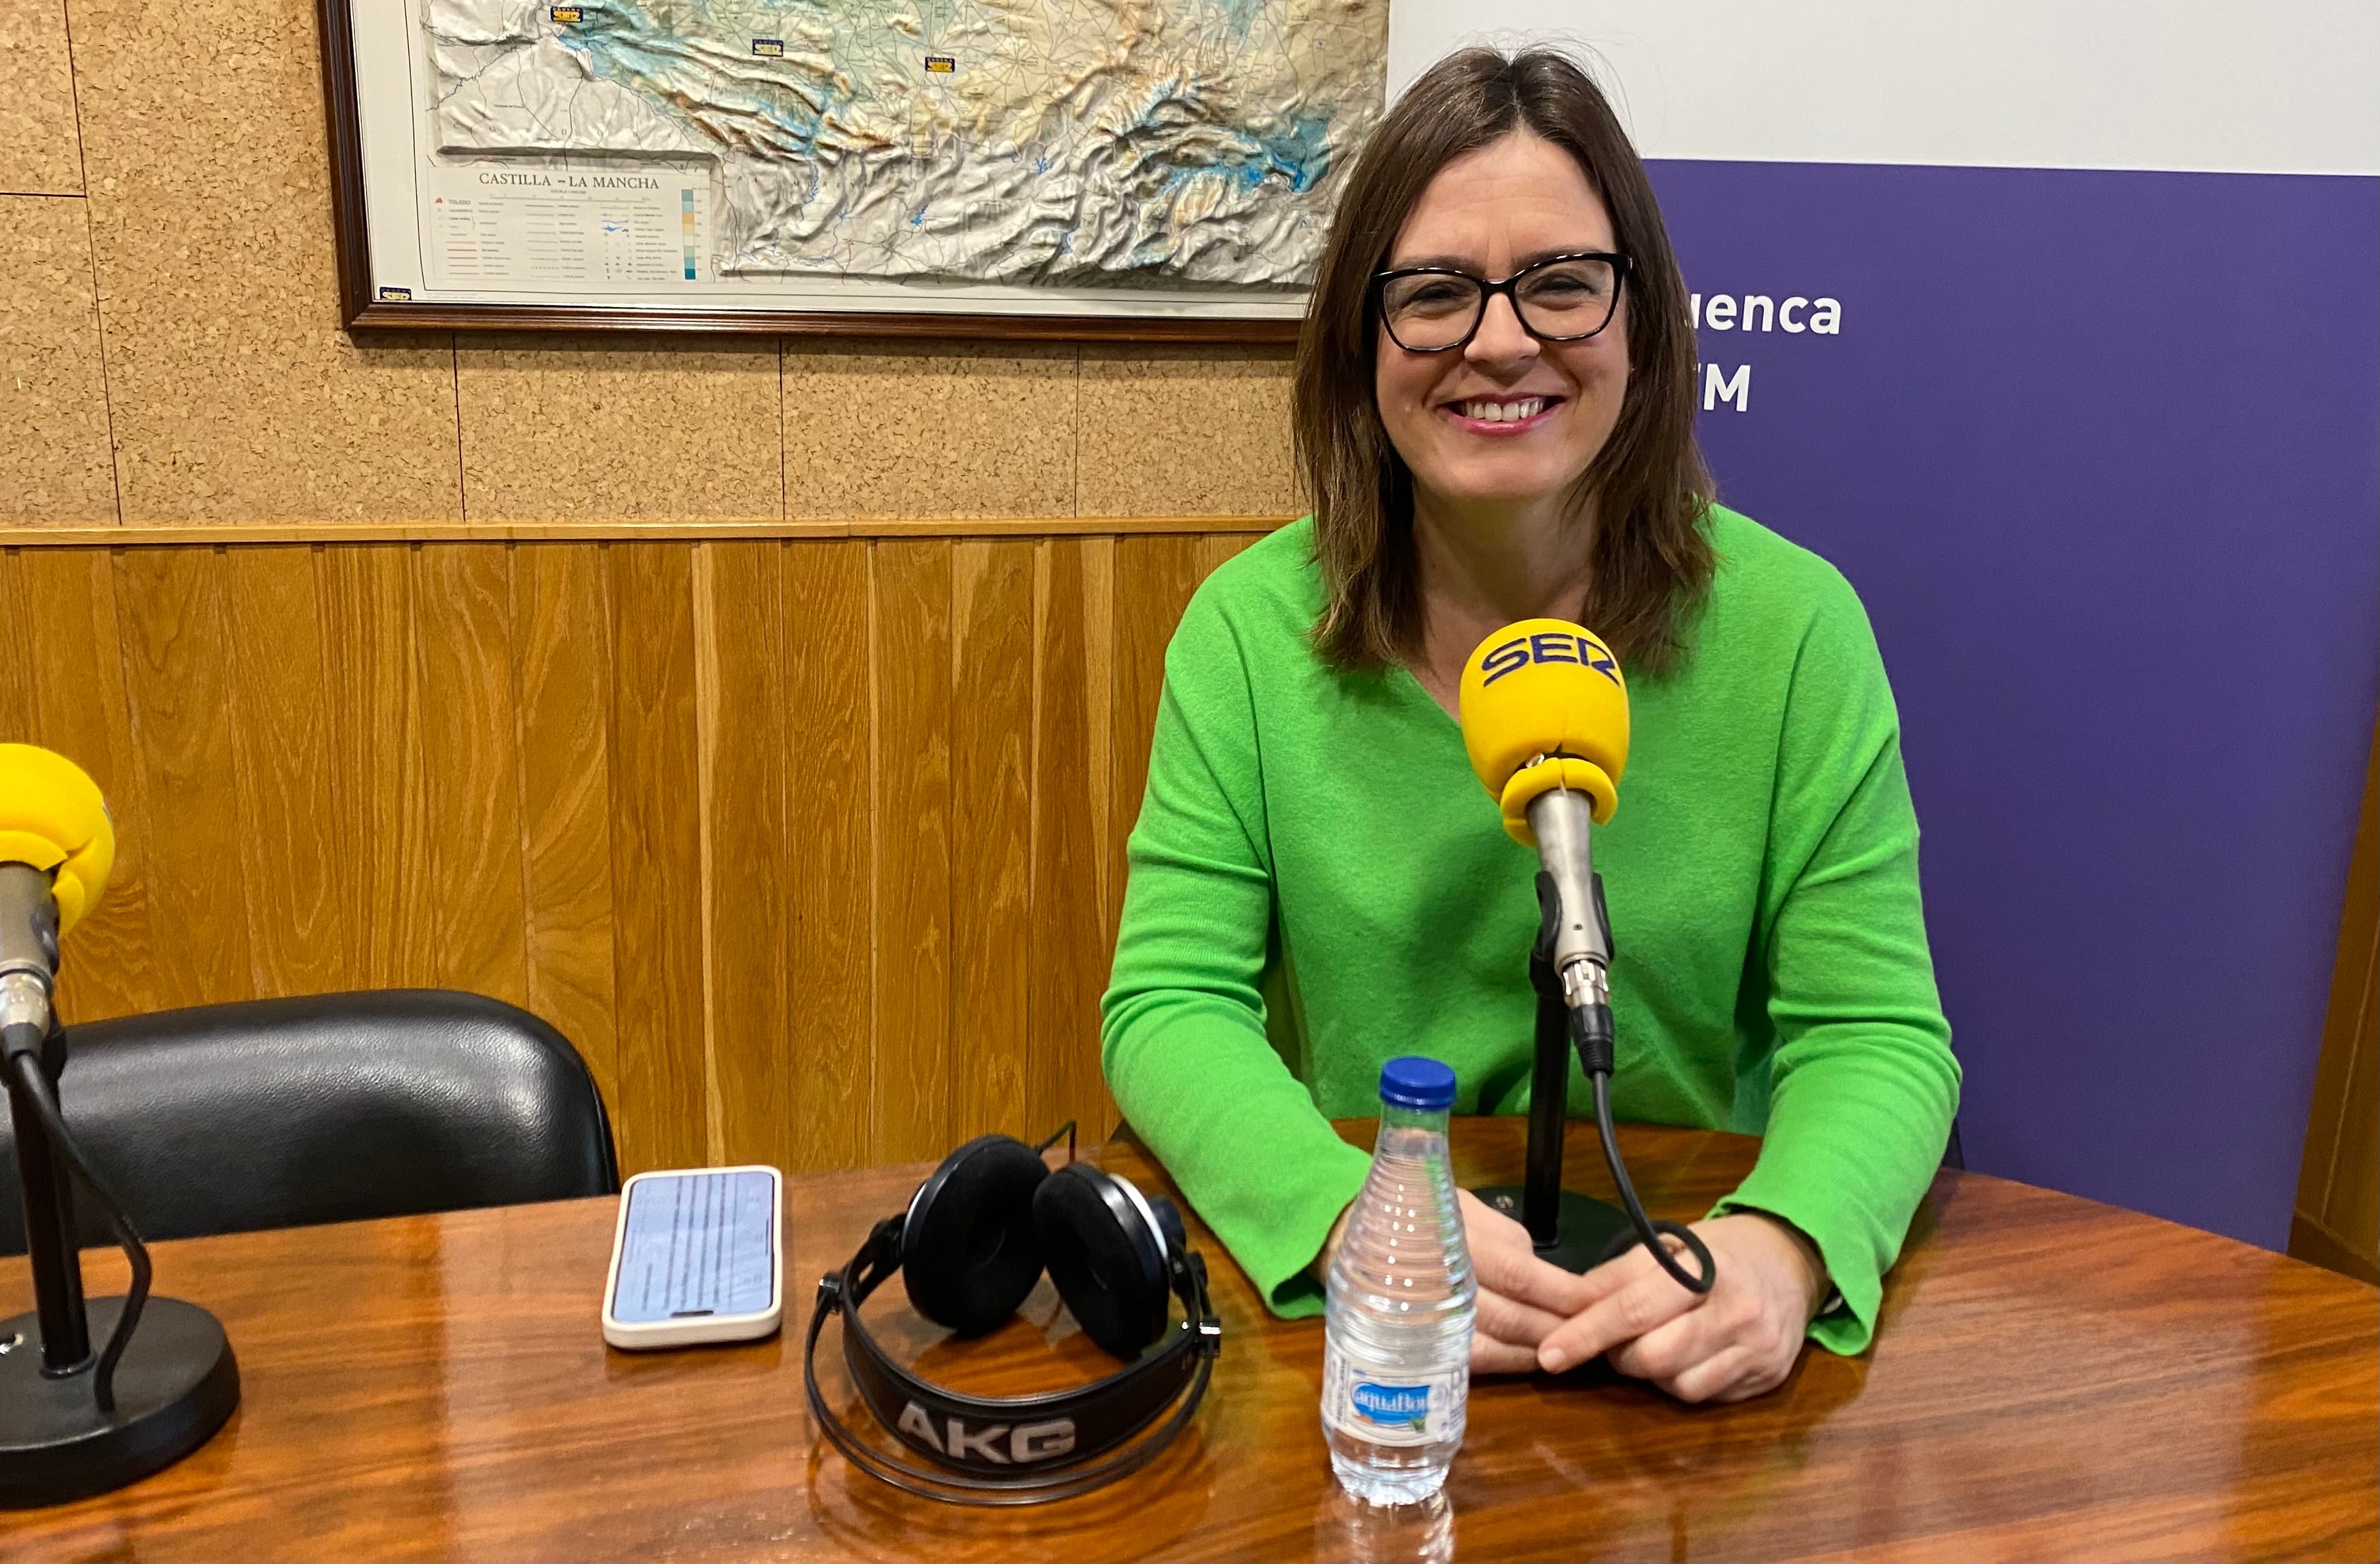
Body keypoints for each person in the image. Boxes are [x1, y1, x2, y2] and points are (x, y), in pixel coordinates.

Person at [1100, 47, 1959, 1404]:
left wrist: (1784, 1248)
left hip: (1667, 1318)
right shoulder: (1246, 632)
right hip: (1381, 1343)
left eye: (1561, 282)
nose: (1499, 340)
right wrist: (1344, 1218)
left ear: (1641, 321)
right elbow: (1169, 1003)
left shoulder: (1796, 630)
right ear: (1356, 338)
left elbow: (1875, 1035)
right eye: (1434, 293)